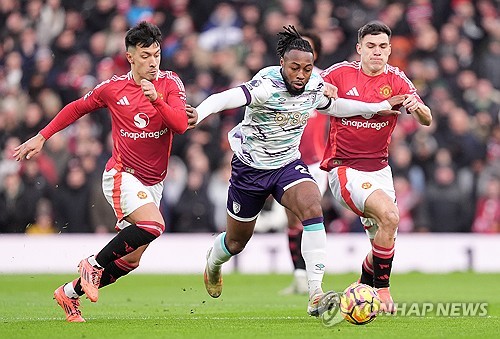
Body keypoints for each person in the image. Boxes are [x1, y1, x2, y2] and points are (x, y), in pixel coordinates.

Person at [187, 25, 405, 317]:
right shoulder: (266, 85)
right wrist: (199, 112)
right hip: (250, 169)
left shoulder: (314, 84)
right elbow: (226, 98)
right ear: (282, 65)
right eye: (294, 68)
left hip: (287, 164)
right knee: (236, 242)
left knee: (313, 206)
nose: (301, 75)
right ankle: (213, 264)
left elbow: (335, 107)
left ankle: (315, 292)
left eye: (307, 68)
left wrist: (377, 106)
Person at [14, 21, 197, 322]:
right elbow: (76, 108)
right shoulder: (113, 88)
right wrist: (42, 136)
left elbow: (179, 125)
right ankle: (92, 263)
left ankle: (69, 294)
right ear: (130, 57)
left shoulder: (170, 83)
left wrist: (156, 99)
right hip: (122, 175)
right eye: (146, 56)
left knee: (131, 259)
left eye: (157, 54)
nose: (153, 62)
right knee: (154, 226)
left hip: (154, 182)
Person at [320, 21, 432, 313]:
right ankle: (383, 291)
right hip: (344, 168)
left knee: (383, 238)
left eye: (383, 47)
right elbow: (311, 85)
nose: (377, 52)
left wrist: (417, 108)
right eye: (370, 46)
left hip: (381, 171)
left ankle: (361, 288)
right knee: (391, 215)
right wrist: (321, 88)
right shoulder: (340, 73)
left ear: (390, 49)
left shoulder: (397, 79)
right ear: (359, 49)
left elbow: (427, 119)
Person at [280, 30, 328, 296]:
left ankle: (312, 277)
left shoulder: (324, 82)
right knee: (292, 219)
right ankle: (299, 275)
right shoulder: (284, 82)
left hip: (315, 162)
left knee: (309, 214)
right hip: (287, 159)